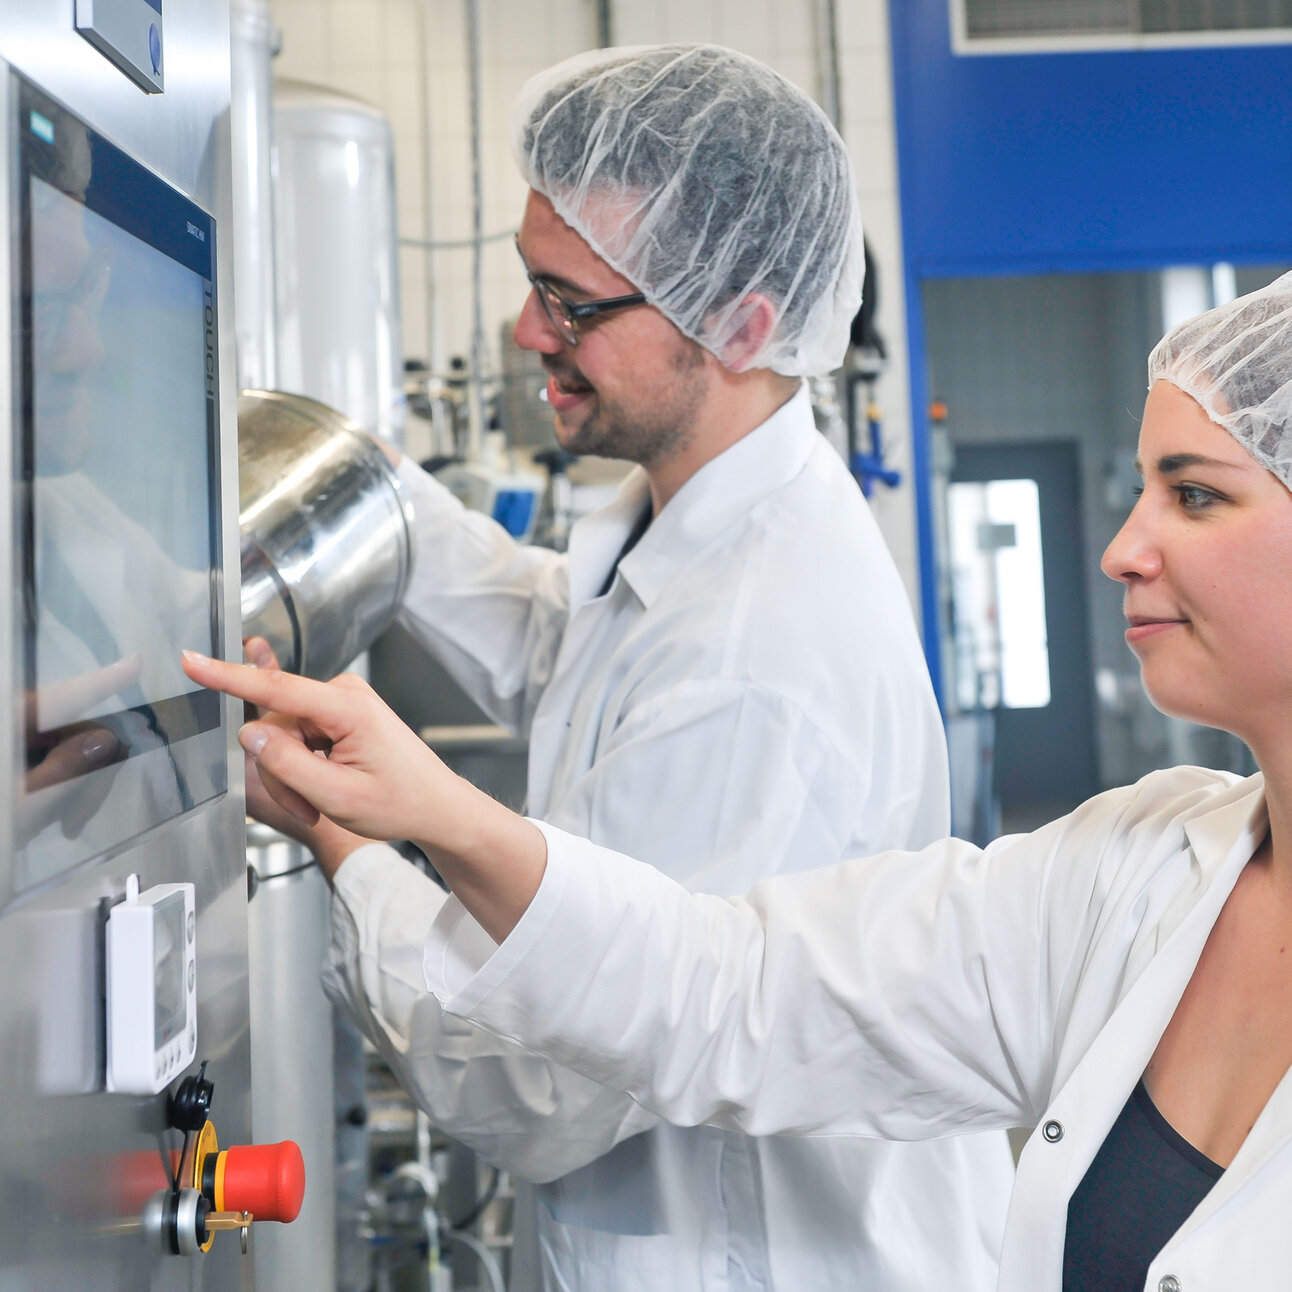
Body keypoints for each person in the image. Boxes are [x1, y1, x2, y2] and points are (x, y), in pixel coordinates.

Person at [189, 269, 1292, 1292]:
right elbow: (729, 985)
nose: (1119, 547)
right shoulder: (1135, 871)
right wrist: (425, 807)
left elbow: (552, 1086)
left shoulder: (773, 639)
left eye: (1193, 496)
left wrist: (356, 846)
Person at [242, 41, 1014, 1292]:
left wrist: (340, 843)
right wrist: (356, 484)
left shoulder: (758, 664)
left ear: (742, 323)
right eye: (528, 282)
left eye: (572, 304)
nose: (522, 330)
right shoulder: (690, 517)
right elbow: (567, 640)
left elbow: (536, 1079)